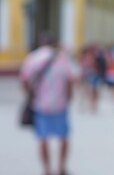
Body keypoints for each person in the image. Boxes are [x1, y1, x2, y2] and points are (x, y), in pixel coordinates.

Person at [20, 33, 76, 175]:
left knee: (43, 138)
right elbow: (70, 80)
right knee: (63, 137)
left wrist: (31, 94)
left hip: (40, 104)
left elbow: (24, 80)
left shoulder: (33, 58)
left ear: (40, 43)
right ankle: (61, 168)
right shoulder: (62, 59)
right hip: (60, 104)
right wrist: (69, 97)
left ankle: (47, 169)